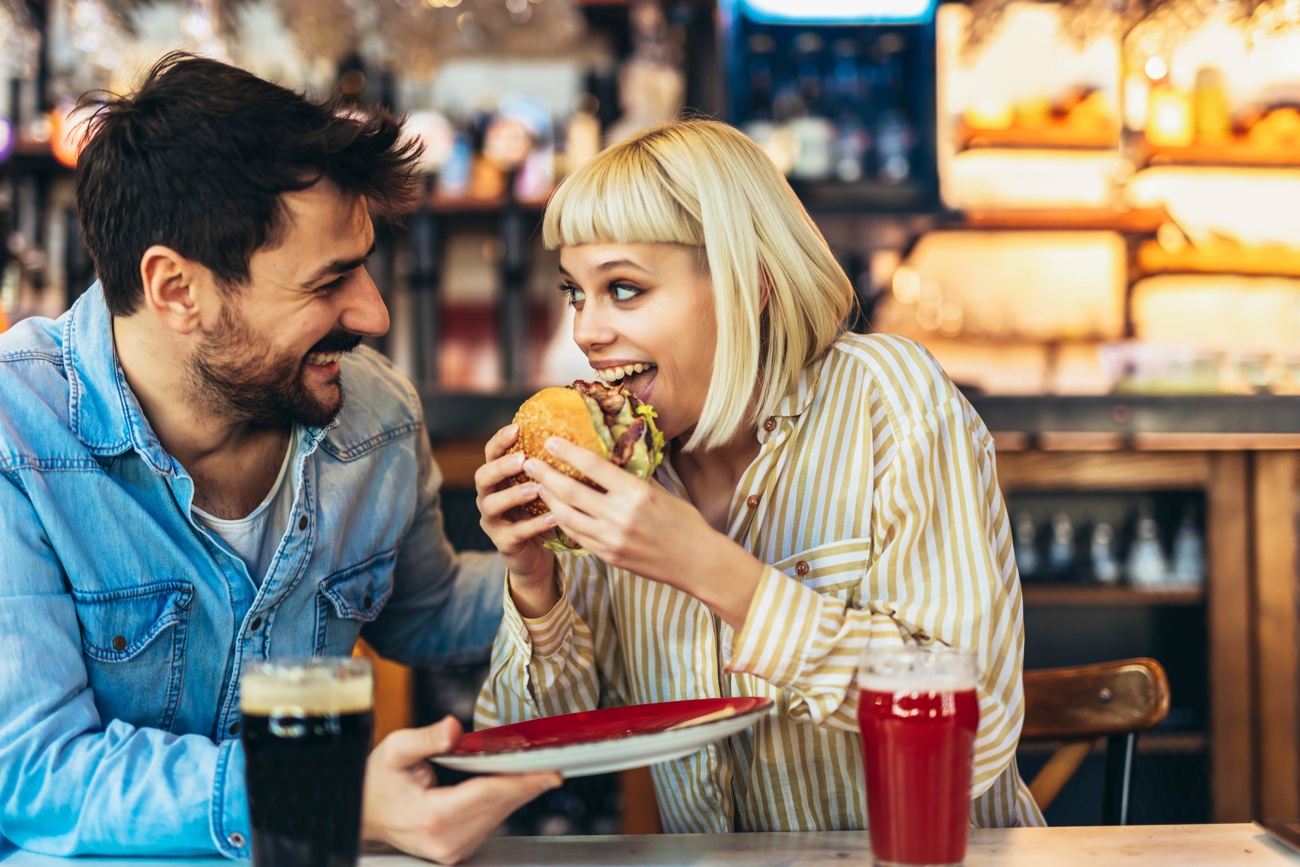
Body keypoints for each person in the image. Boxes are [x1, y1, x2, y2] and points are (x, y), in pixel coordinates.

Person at [0, 53, 558, 864]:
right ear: (177, 289)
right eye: (328, 281)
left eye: (363, 266)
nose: (370, 311)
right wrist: (323, 790)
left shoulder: (372, 414)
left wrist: (553, 565)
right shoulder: (20, 432)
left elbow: (426, 610)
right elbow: (33, 773)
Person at [473, 118, 1045, 831]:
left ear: (751, 285)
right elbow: (528, 753)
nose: (585, 332)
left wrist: (716, 572)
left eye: (623, 288)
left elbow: (975, 729)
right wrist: (534, 583)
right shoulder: (619, 472)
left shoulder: (887, 402)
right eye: (575, 293)